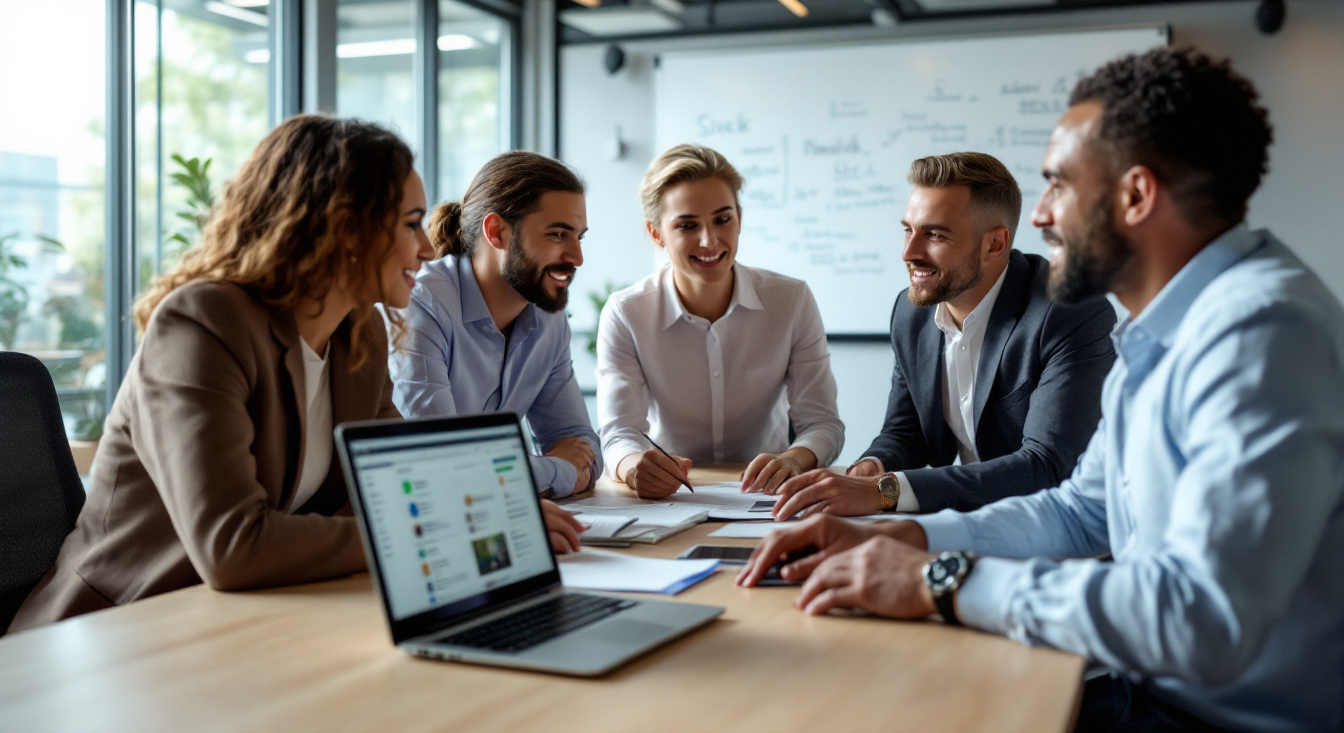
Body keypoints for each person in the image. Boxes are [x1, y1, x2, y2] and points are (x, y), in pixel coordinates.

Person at [738, 47, 1344, 732]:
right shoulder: (1167, 329)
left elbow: (1200, 619)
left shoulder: (1259, 334)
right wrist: (907, 538)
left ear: (1136, 195)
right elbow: (1078, 515)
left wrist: (941, 581)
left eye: (1058, 185)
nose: (1043, 215)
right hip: (1141, 688)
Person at [9, 117, 586, 633]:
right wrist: (460, 525)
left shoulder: (357, 336)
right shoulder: (202, 321)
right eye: (409, 224)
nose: (425, 249)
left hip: (250, 622)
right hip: (119, 632)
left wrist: (486, 512)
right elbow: (234, 544)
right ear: (344, 227)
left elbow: (400, 484)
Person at [771, 152, 1116, 519]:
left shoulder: (1068, 312)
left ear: (995, 245)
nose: (909, 253)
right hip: (964, 523)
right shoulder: (911, 313)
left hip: (1060, 531)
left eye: (934, 234)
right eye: (908, 230)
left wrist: (883, 492)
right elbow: (907, 433)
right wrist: (870, 468)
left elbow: (1045, 467)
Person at [596, 144, 844, 499]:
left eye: (722, 219)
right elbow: (619, 432)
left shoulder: (791, 300)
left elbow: (823, 423)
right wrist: (635, 466)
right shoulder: (626, 312)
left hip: (768, 495)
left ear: (739, 218)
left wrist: (793, 459)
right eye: (687, 225)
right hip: (670, 496)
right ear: (656, 233)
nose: (709, 240)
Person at [388, 151, 600, 498]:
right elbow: (443, 462)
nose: (577, 257)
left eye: (580, 237)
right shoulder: (422, 305)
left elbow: (583, 446)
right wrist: (556, 470)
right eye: (559, 235)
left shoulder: (549, 319)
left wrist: (518, 472)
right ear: (496, 232)